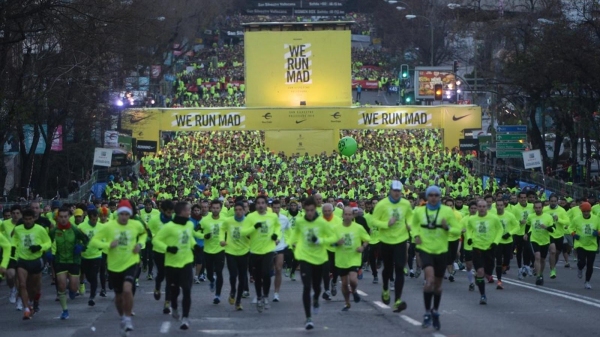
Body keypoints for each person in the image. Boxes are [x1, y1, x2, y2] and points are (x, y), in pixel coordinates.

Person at [89, 199, 147, 335]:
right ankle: (122, 317)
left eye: (127, 214)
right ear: (118, 214)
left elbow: (144, 234)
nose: (124, 217)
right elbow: (94, 241)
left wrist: (140, 244)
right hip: (114, 266)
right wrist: (108, 245)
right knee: (119, 296)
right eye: (122, 214)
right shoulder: (109, 227)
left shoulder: (136, 224)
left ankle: (127, 318)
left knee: (128, 289)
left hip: (131, 262)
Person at [411, 186, 459, 330]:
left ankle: (435, 311)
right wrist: (416, 236)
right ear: (427, 197)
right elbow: (413, 226)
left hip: (441, 251)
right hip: (426, 249)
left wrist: (448, 228)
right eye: (430, 195)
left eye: (436, 195)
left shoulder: (447, 211)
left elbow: (458, 229)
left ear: (439, 197)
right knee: (430, 280)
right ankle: (426, 312)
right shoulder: (419, 211)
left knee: (438, 286)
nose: (433, 197)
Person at [289, 196, 336, 329]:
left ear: (315, 209)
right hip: (305, 258)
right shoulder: (300, 222)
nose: (309, 213)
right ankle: (308, 318)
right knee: (306, 287)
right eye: (307, 210)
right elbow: (294, 235)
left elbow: (332, 237)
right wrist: (292, 243)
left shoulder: (322, 223)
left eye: (311, 210)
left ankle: (316, 298)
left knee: (317, 287)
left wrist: (320, 240)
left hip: (319, 258)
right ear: (304, 209)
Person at [370, 180, 413, 312]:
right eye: (394, 191)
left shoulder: (405, 204)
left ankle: (398, 300)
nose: (396, 193)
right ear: (390, 191)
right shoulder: (382, 204)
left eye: (399, 191)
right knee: (387, 269)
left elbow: (410, 216)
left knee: (399, 268)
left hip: (401, 239)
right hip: (386, 240)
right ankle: (385, 289)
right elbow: (373, 220)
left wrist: (409, 224)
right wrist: (386, 224)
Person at [152, 201, 196, 330]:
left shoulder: (189, 224)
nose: (190, 212)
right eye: (188, 210)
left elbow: (189, 238)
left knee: (187, 290)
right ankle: (175, 307)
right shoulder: (169, 227)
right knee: (174, 291)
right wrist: (168, 248)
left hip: (187, 262)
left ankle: (185, 318)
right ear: (182, 212)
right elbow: (156, 240)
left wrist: (195, 246)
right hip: (172, 264)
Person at [48, 207, 89, 319]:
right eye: (61, 217)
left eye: (65, 217)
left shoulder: (75, 230)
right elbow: (46, 241)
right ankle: (65, 310)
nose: (63, 219)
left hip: (74, 261)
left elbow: (86, 240)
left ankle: (72, 291)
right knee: (61, 285)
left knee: (73, 287)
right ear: (58, 218)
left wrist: (81, 247)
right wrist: (48, 252)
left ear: (69, 217)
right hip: (60, 260)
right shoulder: (54, 231)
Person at [12, 208, 52, 320]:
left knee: (34, 288)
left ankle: (35, 302)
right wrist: (13, 252)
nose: (28, 221)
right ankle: (26, 309)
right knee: (22, 284)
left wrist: (40, 247)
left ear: (34, 219)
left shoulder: (40, 229)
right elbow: (14, 241)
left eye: (30, 219)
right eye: (26, 219)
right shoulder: (18, 229)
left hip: (36, 260)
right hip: (22, 260)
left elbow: (48, 242)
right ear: (23, 219)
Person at [245, 195, 281, 312]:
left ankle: (265, 296)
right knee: (257, 276)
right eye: (258, 203)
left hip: (268, 249)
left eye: (263, 203)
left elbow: (277, 228)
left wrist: (277, 236)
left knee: (266, 273)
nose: (261, 205)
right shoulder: (250, 217)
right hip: (255, 250)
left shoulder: (272, 216)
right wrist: (254, 227)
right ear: (255, 205)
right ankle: (259, 296)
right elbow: (244, 232)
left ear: (266, 205)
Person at [333, 207, 370, 311]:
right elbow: (329, 242)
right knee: (344, 283)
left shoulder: (358, 228)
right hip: (341, 259)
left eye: (350, 214)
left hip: (354, 257)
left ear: (353, 216)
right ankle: (347, 302)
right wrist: (336, 243)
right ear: (343, 215)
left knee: (353, 280)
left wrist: (362, 247)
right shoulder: (336, 228)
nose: (348, 216)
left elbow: (367, 239)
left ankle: (353, 291)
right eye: (346, 214)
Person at [467, 200, 502, 304]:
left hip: (490, 248)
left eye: (484, 206)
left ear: (487, 207)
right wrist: (469, 237)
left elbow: (500, 230)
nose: (482, 208)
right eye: (480, 206)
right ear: (477, 208)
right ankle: (483, 295)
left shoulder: (494, 218)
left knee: (488, 272)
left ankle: (479, 277)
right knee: (480, 271)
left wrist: (496, 242)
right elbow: (469, 228)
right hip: (477, 247)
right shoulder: (472, 219)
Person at [222, 202, 252, 310]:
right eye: (236, 210)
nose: (238, 212)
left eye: (240, 210)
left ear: (244, 210)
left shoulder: (249, 222)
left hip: (244, 251)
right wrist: (222, 239)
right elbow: (222, 229)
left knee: (243, 276)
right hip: (230, 251)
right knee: (233, 275)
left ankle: (238, 301)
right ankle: (232, 291)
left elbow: (253, 234)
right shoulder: (229, 221)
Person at [147, 200, 174, 313]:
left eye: (171, 212)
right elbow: (148, 231)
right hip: (158, 251)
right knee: (161, 274)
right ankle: (157, 286)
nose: (170, 214)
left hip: (171, 252)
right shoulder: (154, 220)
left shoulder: (175, 219)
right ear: (162, 210)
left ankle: (167, 302)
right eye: (168, 212)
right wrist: (154, 237)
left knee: (170, 278)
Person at [199, 199, 226, 304]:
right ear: (211, 208)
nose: (215, 210)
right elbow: (195, 231)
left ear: (220, 208)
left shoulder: (225, 220)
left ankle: (217, 295)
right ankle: (211, 280)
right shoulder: (204, 220)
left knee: (219, 272)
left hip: (220, 249)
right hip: (208, 250)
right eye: (213, 208)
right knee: (210, 273)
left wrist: (226, 242)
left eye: (217, 208)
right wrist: (203, 236)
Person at [569, 202, 600, 289]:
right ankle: (580, 268)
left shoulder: (596, 219)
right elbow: (570, 228)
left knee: (590, 264)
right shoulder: (576, 219)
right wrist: (573, 234)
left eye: (588, 211)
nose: (586, 213)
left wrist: (597, 233)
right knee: (582, 261)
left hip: (592, 245)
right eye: (584, 211)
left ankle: (587, 282)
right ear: (581, 211)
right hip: (580, 244)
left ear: (590, 211)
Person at [77, 208, 105, 306]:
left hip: (97, 255)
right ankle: (84, 284)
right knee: (88, 276)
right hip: (85, 256)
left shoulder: (102, 227)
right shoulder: (81, 227)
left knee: (94, 276)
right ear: (89, 218)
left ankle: (92, 297)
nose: (95, 221)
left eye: (96, 219)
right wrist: (80, 247)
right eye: (93, 219)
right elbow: (77, 240)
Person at [524, 200, 555, 286]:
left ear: (542, 208)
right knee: (537, 257)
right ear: (534, 208)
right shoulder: (531, 216)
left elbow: (553, 229)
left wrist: (546, 227)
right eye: (536, 208)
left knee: (542, 259)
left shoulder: (548, 217)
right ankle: (538, 276)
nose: (538, 209)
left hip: (545, 240)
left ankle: (541, 273)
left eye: (539, 207)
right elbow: (528, 225)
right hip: (534, 239)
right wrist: (526, 234)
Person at [494, 199, 519, 290]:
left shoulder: (510, 215)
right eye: (498, 205)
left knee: (507, 261)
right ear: (496, 206)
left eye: (501, 205)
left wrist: (509, 233)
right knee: (498, 261)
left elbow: (517, 226)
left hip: (508, 241)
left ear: (504, 206)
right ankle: (499, 281)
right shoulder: (493, 216)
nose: (500, 207)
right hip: (497, 242)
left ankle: (503, 268)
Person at [543, 194, 568, 279]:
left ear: (557, 201)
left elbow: (567, 222)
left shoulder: (562, 210)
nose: (553, 203)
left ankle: (552, 266)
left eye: (555, 201)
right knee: (552, 252)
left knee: (557, 253)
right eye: (551, 201)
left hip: (559, 235)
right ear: (549, 201)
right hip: (549, 234)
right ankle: (553, 270)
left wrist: (558, 219)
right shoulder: (545, 209)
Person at [271, 199, 291, 302]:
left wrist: (287, 242)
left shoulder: (284, 219)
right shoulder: (267, 218)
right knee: (266, 272)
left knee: (279, 269)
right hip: (268, 248)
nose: (276, 210)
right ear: (271, 208)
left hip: (280, 248)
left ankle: (276, 293)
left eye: (278, 208)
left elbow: (288, 231)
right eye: (274, 208)